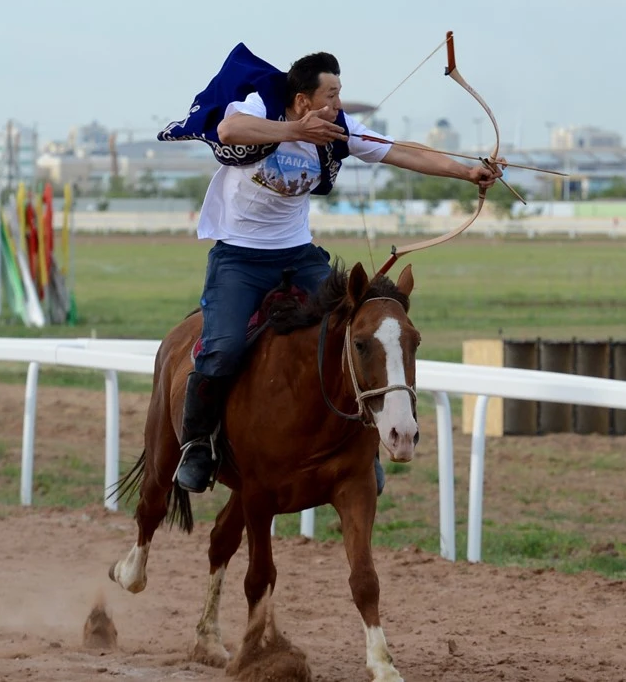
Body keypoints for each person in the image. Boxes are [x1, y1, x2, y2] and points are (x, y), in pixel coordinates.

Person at [158, 45, 501, 493]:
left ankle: (359, 447)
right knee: (221, 347)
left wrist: (467, 171)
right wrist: (293, 130)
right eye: (332, 95)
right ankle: (199, 445)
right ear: (303, 99)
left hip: (299, 254)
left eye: (339, 95)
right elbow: (229, 127)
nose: (338, 105)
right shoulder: (261, 104)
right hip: (239, 257)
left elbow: (400, 151)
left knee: (358, 331)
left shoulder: (337, 129)